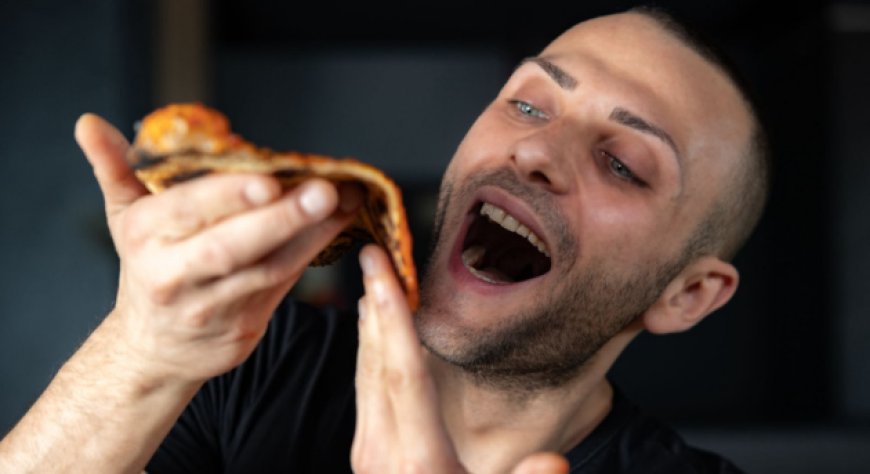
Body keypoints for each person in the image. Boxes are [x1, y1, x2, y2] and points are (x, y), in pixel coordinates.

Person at [0, 5, 769, 473]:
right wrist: (141, 353)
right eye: (530, 107)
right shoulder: (249, 358)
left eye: (623, 163)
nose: (534, 152)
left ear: (688, 293)